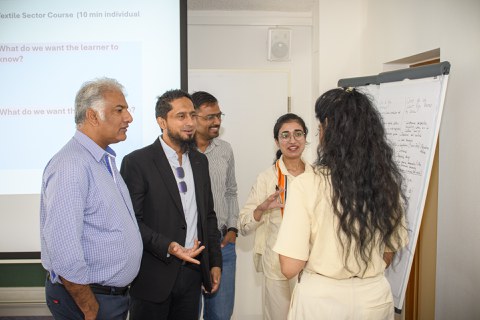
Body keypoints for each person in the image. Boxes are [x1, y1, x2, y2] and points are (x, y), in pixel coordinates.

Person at [274, 88, 409, 319]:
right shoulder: (387, 182)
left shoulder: (307, 184)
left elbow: (289, 267)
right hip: (373, 298)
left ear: (330, 130)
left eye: (320, 127)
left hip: (322, 301)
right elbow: (389, 251)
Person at [40, 77, 143, 320]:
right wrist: (89, 306)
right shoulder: (72, 165)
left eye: (127, 110)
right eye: (119, 110)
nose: (129, 118)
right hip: (89, 300)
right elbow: (63, 248)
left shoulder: (101, 160)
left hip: (106, 298)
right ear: (93, 116)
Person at [120, 89, 222, 320]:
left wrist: (215, 262)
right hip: (152, 276)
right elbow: (132, 221)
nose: (190, 123)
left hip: (192, 274)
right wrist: (170, 246)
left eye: (193, 116)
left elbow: (208, 216)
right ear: (161, 121)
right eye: (181, 116)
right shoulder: (137, 162)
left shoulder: (199, 161)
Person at [238, 113, 313, 320]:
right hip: (277, 267)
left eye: (298, 134)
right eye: (285, 135)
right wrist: (262, 208)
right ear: (276, 142)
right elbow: (243, 226)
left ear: (305, 138)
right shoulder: (267, 178)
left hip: (311, 267)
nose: (292, 140)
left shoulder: (317, 177)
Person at [191, 91, 239, 320]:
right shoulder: (179, 153)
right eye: (210, 117)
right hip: (189, 248)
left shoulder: (225, 150)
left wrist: (232, 229)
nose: (217, 121)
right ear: (193, 118)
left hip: (222, 245)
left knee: (220, 315)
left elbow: (231, 191)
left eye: (219, 115)